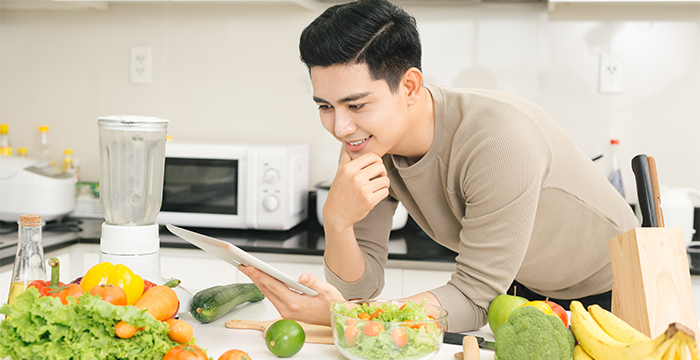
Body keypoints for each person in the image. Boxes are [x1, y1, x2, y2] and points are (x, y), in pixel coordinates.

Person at [239, 0, 639, 332]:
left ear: (410, 86)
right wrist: (337, 224)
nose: (340, 128)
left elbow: (473, 298)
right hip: (524, 287)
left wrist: (346, 317)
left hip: (614, 292)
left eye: (356, 105)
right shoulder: (369, 140)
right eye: (326, 107)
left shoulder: (498, 141)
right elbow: (361, 288)